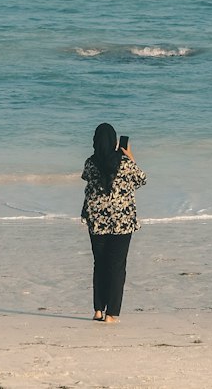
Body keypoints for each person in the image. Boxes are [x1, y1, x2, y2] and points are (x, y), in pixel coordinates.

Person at [80, 122, 147, 322]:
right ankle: (111, 314)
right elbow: (141, 179)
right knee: (117, 265)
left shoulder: (90, 163)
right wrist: (130, 157)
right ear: (114, 141)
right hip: (122, 221)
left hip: (97, 221)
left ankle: (98, 310)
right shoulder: (125, 163)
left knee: (99, 264)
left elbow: (87, 179)